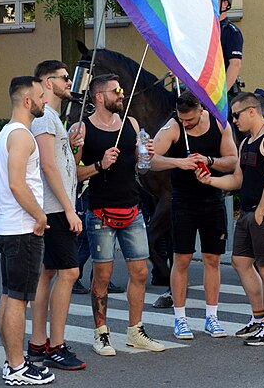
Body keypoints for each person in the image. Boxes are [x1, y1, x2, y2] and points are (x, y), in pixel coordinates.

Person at [70, 73, 164, 355]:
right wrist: (99, 165)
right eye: (116, 91)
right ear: (100, 97)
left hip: (132, 207)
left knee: (140, 271)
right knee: (102, 275)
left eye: (122, 90)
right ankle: (101, 333)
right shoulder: (82, 128)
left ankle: (136, 330)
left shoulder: (131, 124)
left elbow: (143, 168)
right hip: (100, 211)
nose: (122, 95)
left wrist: (145, 155)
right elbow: (73, 173)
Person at [197, 92, 264, 346]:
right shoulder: (246, 142)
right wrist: (210, 180)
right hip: (249, 212)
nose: (234, 121)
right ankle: (258, 318)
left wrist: (260, 211)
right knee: (240, 262)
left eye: (236, 115)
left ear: (252, 111)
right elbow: (238, 179)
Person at [149, 91, 237, 339]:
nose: (186, 123)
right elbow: (149, 159)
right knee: (182, 259)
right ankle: (180, 319)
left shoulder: (220, 123)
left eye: (190, 120)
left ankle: (212, 317)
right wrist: (179, 163)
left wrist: (208, 161)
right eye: (182, 119)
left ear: (201, 110)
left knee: (212, 259)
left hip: (212, 198)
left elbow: (232, 160)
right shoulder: (173, 127)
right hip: (183, 201)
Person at [0, 76, 55, 385]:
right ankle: (18, 368)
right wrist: (40, 216)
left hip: (9, 228)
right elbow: (18, 183)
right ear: (27, 102)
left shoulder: (8, 132)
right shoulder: (22, 136)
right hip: (22, 229)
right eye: (41, 97)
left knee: (10, 296)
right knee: (17, 299)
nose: (46, 101)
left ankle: (12, 362)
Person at [28, 60, 86, 371]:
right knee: (69, 273)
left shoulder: (50, 117)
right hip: (55, 208)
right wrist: (68, 208)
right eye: (64, 78)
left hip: (55, 206)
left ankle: (38, 342)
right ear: (48, 82)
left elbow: (61, 164)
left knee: (49, 272)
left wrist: (73, 145)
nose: (69, 83)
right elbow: (48, 167)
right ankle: (56, 346)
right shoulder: (44, 119)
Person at [218, 0, 244, 98]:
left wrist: (221, 95)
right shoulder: (203, 30)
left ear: (224, 4)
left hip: (222, 90)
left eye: (213, 0)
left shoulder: (232, 32)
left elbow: (235, 64)